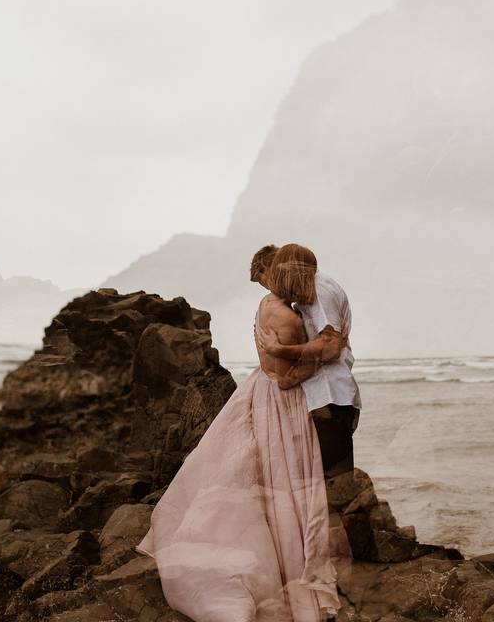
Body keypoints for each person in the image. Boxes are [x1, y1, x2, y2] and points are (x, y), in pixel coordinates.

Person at [135, 244, 348, 622]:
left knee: (258, 472)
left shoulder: (266, 305)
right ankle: (292, 562)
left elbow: (270, 366)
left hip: (257, 390)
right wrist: (305, 363)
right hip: (282, 402)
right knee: (291, 483)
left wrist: (287, 353)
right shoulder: (290, 319)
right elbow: (284, 380)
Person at [255, 246, 361, 479]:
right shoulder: (308, 292)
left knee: (334, 481)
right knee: (325, 480)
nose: (278, 288)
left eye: (278, 278)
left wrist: (279, 349)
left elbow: (331, 347)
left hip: (330, 396)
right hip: (325, 396)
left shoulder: (319, 292)